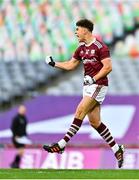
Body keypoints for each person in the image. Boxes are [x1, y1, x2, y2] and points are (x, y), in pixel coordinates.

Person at [43, 19, 124, 168]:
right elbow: (70, 64)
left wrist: (93, 78)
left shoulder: (101, 47)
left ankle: (61, 144)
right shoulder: (81, 48)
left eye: (78, 29)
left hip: (98, 85)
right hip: (87, 86)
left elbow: (108, 67)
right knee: (95, 123)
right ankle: (116, 148)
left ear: (86, 30)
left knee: (80, 110)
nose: (76, 32)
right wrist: (54, 64)